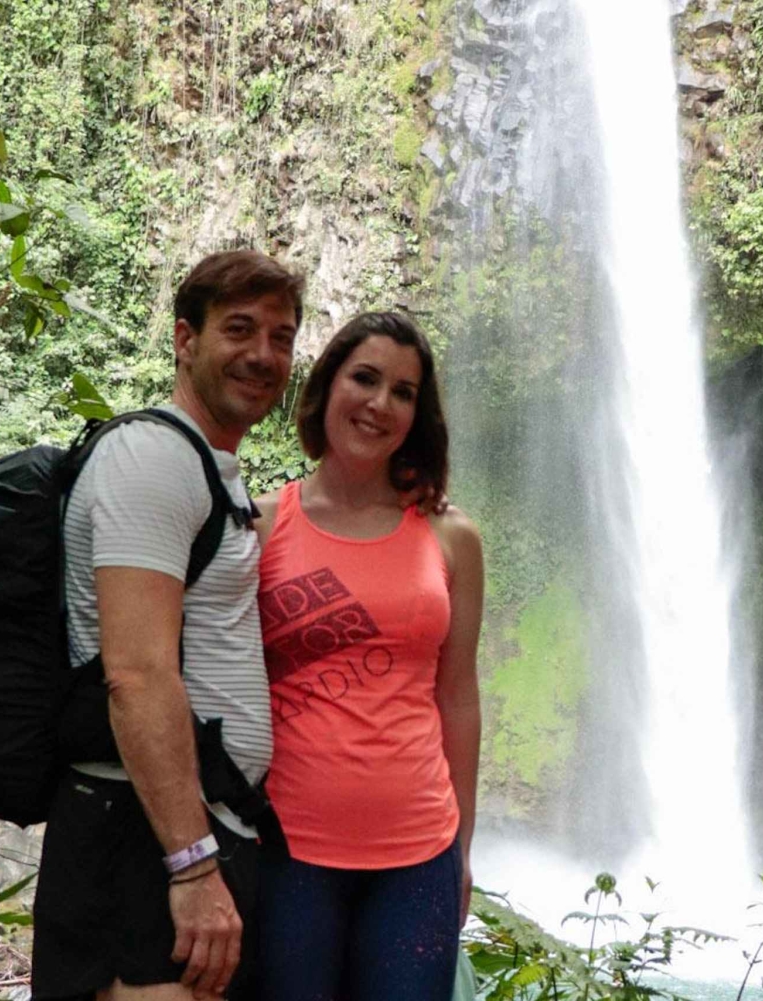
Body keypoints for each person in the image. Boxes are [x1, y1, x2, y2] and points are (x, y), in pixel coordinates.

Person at [31, 249, 305, 1001]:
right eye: (239, 329)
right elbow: (136, 672)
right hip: (142, 838)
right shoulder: (153, 459)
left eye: (281, 337)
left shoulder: (205, 467)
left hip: (178, 827)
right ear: (185, 339)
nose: (263, 354)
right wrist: (192, 865)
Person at [252, 311, 484, 1000]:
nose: (381, 403)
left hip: (419, 855)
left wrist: (463, 849)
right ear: (328, 386)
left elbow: (458, 697)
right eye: (365, 378)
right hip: (288, 849)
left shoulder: (451, 536)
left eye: (403, 392)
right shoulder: (262, 525)